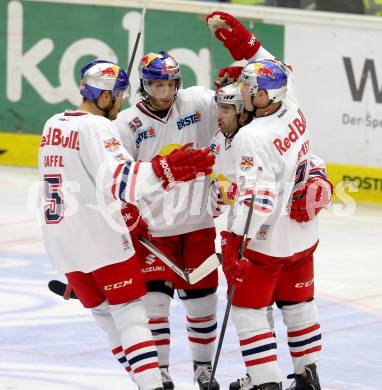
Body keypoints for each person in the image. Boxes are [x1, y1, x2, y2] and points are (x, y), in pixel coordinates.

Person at [38, 59, 214, 390]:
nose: (121, 101)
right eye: (118, 95)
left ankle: (145, 381)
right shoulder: (99, 128)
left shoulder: (52, 124)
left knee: (108, 322)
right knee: (133, 319)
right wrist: (166, 169)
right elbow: (123, 181)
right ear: (104, 97)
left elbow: (79, 181)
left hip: (61, 245)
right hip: (100, 243)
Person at [206, 11, 333, 390]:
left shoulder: (253, 136)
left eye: (248, 88)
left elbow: (255, 202)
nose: (242, 91)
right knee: (299, 306)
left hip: (266, 242)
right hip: (302, 236)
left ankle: (265, 382)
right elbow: (271, 64)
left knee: (247, 310)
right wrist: (241, 42)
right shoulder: (291, 101)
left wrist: (237, 249)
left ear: (264, 96)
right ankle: (308, 376)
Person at [113, 51, 221, 390]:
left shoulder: (199, 102)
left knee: (203, 300)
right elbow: (116, 173)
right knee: (155, 303)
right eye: (158, 84)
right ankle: (159, 369)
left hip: (197, 221)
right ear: (145, 86)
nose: (165, 92)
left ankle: (203, 368)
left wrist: (237, 88)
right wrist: (126, 212)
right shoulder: (127, 123)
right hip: (153, 228)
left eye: (171, 83)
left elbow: (237, 115)